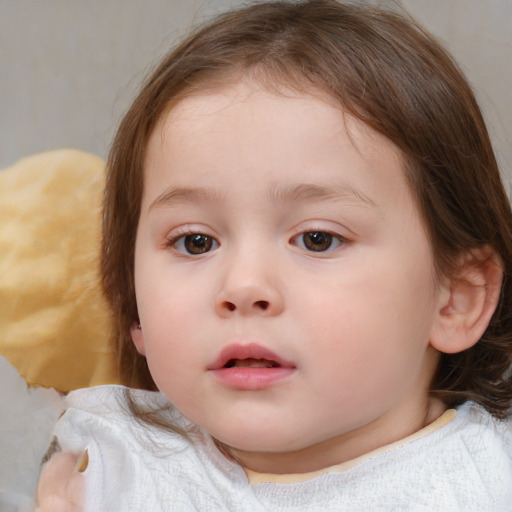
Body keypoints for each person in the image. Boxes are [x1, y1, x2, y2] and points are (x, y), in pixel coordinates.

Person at [35, 0, 512, 510]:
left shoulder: (490, 478)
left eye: (317, 239)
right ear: (134, 306)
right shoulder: (105, 469)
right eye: (195, 241)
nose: (243, 286)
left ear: (455, 299)